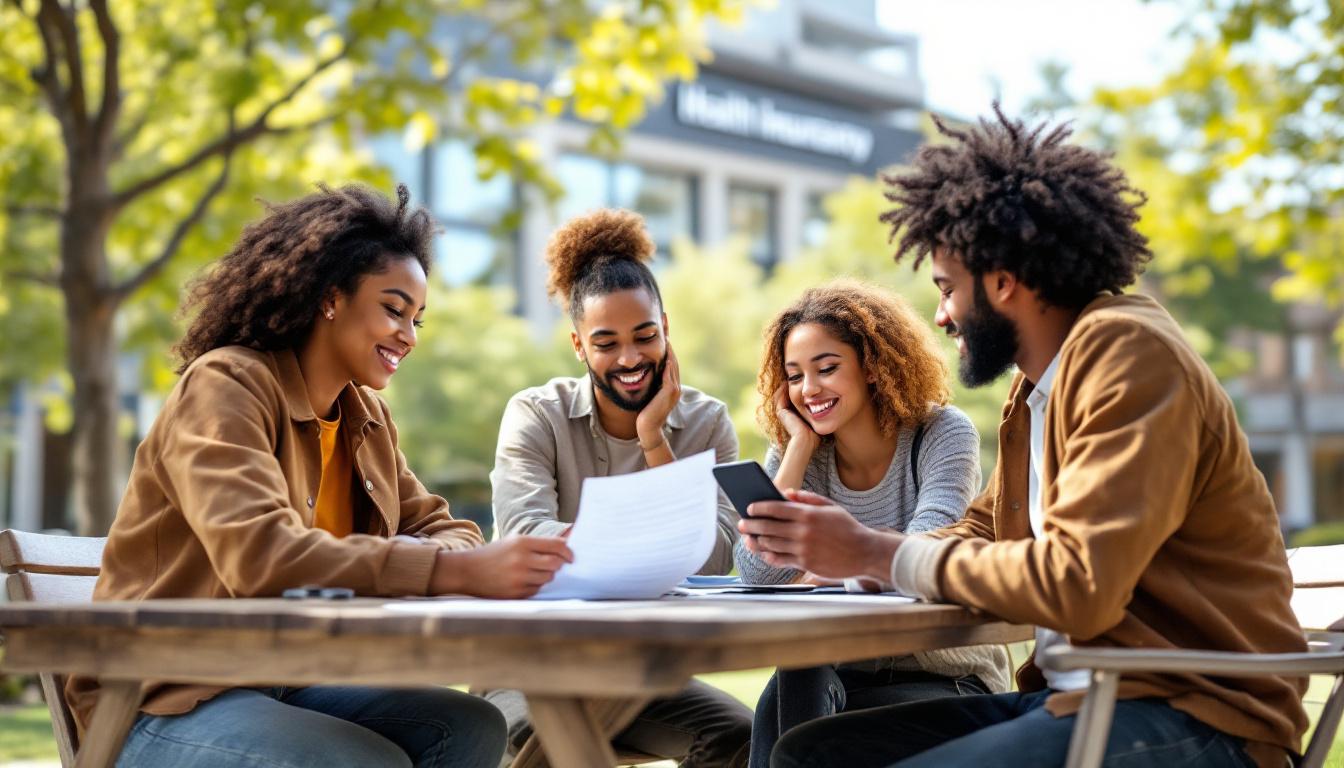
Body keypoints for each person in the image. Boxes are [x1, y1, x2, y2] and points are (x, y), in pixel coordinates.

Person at [743, 108, 1309, 768]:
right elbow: (982, 531)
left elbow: (1079, 581)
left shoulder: (1128, 354)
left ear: (1002, 282)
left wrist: (873, 552)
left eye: (948, 288)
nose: (941, 315)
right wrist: (861, 556)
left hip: (1200, 713)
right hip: (1078, 699)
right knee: (810, 753)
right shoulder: (1036, 390)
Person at [66, 184, 574, 768]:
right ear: (331, 298)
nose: (407, 335)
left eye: (416, 319)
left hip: (279, 682)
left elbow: (445, 526)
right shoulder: (226, 385)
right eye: (393, 308)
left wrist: (441, 555)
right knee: (362, 762)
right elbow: (260, 556)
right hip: (159, 700)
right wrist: (445, 569)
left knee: (467, 726)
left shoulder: (366, 418)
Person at [488, 208, 751, 767]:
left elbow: (720, 554)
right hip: (526, 661)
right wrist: (651, 545)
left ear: (666, 330)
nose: (630, 358)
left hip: (639, 671)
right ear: (579, 346)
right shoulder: (535, 414)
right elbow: (524, 532)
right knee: (547, 743)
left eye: (645, 336)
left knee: (739, 738)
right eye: (606, 343)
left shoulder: (707, 422)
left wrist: (653, 437)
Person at [735, 279, 1009, 768]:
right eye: (794, 376)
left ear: (873, 369)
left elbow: (926, 551)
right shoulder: (803, 450)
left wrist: (839, 562)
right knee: (792, 676)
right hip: (843, 675)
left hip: (942, 678)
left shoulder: (941, 433)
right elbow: (757, 574)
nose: (808, 390)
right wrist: (797, 449)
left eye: (827, 369)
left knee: (791, 723)